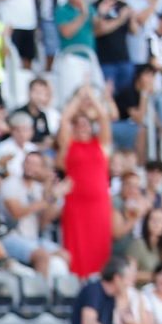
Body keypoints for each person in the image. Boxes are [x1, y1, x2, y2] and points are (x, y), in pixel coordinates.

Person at [57, 85, 115, 277]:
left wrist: (91, 95)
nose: (82, 128)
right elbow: (64, 119)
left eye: (86, 124)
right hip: (76, 203)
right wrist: (78, 97)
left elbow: (104, 117)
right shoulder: (69, 145)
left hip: (98, 203)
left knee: (99, 243)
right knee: (76, 244)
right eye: (78, 125)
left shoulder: (100, 144)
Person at [0, 151, 70, 277]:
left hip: (33, 238)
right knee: (42, 255)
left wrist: (53, 197)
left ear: (41, 168)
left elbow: (43, 222)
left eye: (35, 164)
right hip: (11, 236)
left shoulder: (38, 188)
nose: (31, 167)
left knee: (65, 255)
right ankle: (41, 294)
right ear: (22, 164)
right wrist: (45, 201)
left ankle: (56, 293)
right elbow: (16, 213)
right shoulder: (10, 183)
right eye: (28, 162)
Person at [68, 255, 142, 324]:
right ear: (117, 278)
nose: (130, 284)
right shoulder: (94, 290)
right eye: (128, 279)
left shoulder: (111, 297)